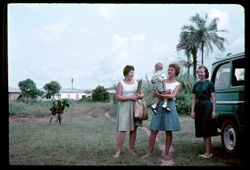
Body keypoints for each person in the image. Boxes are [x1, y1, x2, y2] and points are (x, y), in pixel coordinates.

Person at [142, 63, 181, 161]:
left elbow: (172, 96)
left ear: (176, 72)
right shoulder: (161, 79)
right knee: (154, 130)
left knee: (168, 131)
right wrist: (156, 94)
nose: (169, 71)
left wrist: (160, 95)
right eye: (169, 69)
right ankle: (149, 152)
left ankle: (167, 153)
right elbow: (154, 93)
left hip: (169, 106)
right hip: (159, 106)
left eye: (172, 70)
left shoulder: (177, 84)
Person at [113, 65, 144, 158]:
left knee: (134, 130)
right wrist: (131, 97)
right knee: (123, 130)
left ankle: (131, 150)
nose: (132, 74)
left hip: (135, 108)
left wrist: (140, 96)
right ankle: (118, 151)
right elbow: (118, 97)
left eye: (133, 72)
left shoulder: (136, 82)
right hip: (124, 109)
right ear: (126, 73)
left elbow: (142, 94)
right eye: (131, 72)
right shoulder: (121, 83)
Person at [191, 65, 218, 158]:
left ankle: (208, 153)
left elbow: (214, 98)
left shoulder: (209, 83)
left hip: (207, 107)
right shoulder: (196, 84)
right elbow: (193, 99)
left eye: (201, 72)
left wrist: (214, 111)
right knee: (202, 129)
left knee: (206, 130)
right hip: (198, 108)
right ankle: (209, 151)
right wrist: (192, 111)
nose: (200, 74)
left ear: (206, 73)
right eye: (198, 72)